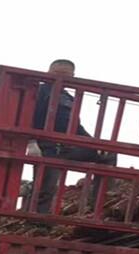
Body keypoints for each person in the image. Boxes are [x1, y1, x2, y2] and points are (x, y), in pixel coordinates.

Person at [31, 59, 116, 214]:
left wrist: (96, 145)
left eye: (66, 75)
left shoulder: (69, 98)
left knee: (108, 154)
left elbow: (77, 127)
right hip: (47, 149)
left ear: (73, 77)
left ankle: (98, 206)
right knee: (46, 188)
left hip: (69, 147)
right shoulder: (39, 92)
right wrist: (31, 142)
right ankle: (37, 221)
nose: (61, 78)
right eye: (57, 74)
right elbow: (29, 117)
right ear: (48, 73)